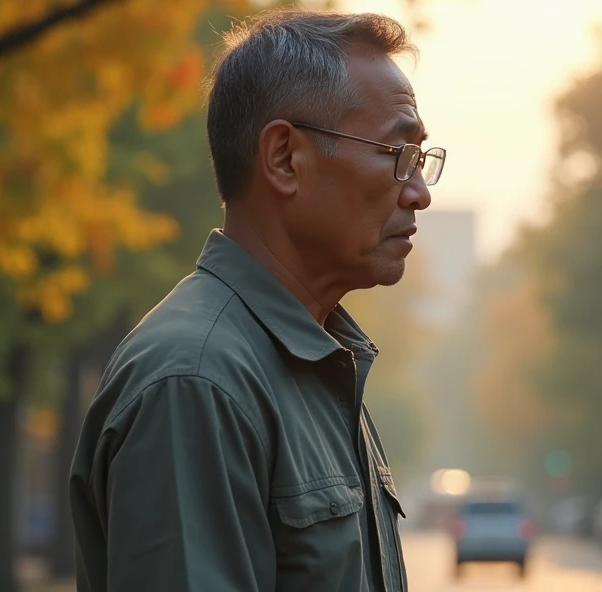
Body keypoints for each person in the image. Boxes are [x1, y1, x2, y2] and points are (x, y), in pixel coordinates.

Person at [69, 8, 445, 591]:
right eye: (397, 155)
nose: (418, 193)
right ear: (283, 159)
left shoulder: (317, 364)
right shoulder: (197, 381)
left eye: (421, 161)